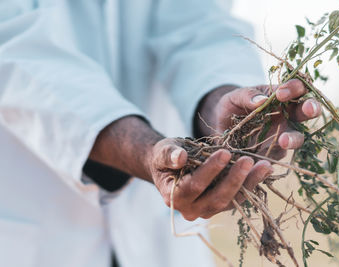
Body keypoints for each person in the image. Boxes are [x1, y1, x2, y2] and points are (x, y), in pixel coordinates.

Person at [0, 1, 321, 267]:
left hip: (158, 242)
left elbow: (198, 25)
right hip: (33, 223)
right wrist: (144, 151)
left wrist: (226, 105)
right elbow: (14, 51)